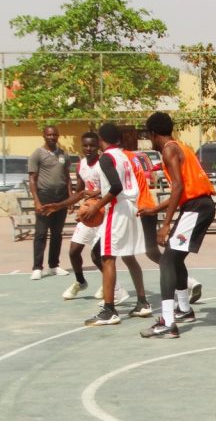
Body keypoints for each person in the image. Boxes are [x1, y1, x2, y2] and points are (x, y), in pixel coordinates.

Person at [139, 112, 216, 339]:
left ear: (152, 133)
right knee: (176, 258)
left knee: (167, 261)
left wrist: (165, 224)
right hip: (198, 205)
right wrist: (155, 209)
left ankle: (168, 323)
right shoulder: (181, 146)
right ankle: (183, 309)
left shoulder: (168, 150)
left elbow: (178, 188)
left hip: (196, 207)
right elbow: (182, 191)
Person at [79, 123, 147, 326]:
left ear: (102, 139)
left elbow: (116, 186)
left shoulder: (106, 158)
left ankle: (109, 310)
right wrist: (98, 196)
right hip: (130, 207)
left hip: (117, 210)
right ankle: (143, 302)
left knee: (106, 257)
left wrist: (95, 206)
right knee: (128, 255)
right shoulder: (124, 156)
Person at [53, 132, 129, 305]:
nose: (88, 149)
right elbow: (80, 191)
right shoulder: (81, 165)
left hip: (103, 212)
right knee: (73, 251)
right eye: (85, 145)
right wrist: (59, 205)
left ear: (98, 146)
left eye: (92, 146)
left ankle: (114, 288)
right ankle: (81, 282)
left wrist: (97, 194)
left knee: (97, 255)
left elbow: (116, 187)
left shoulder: (104, 163)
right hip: (89, 214)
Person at [28, 125, 71, 280]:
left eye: (55, 135)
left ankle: (53, 265)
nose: (52, 137)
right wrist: (37, 201)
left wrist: (69, 199)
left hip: (61, 197)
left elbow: (67, 178)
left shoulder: (63, 154)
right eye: (49, 135)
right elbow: (32, 179)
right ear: (44, 136)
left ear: (58, 136)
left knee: (57, 234)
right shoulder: (37, 154)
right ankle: (37, 267)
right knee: (41, 233)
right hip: (44, 197)